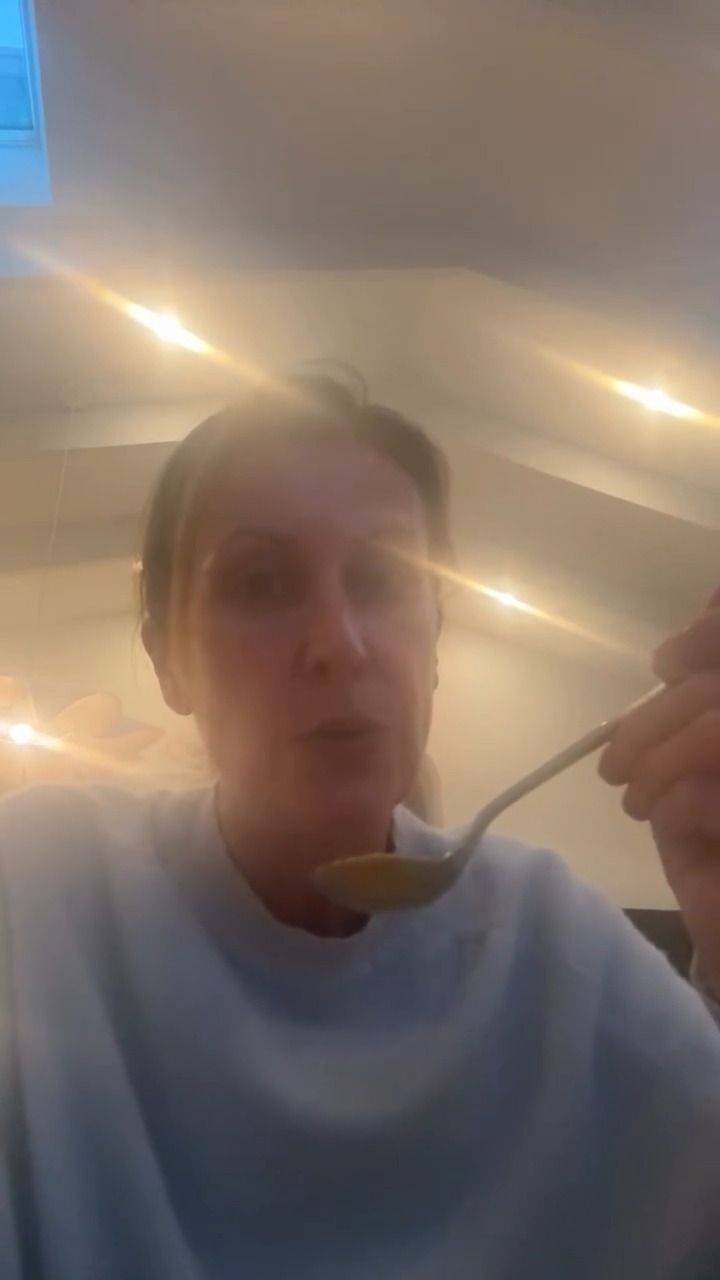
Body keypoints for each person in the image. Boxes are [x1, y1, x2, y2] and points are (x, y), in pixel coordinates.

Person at [0, 375, 719, 1280]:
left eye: (382, 580)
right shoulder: (40, 889)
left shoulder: (547, 940)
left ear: (435, 637)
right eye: (262, 584)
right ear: (167, 655)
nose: (339, 642)